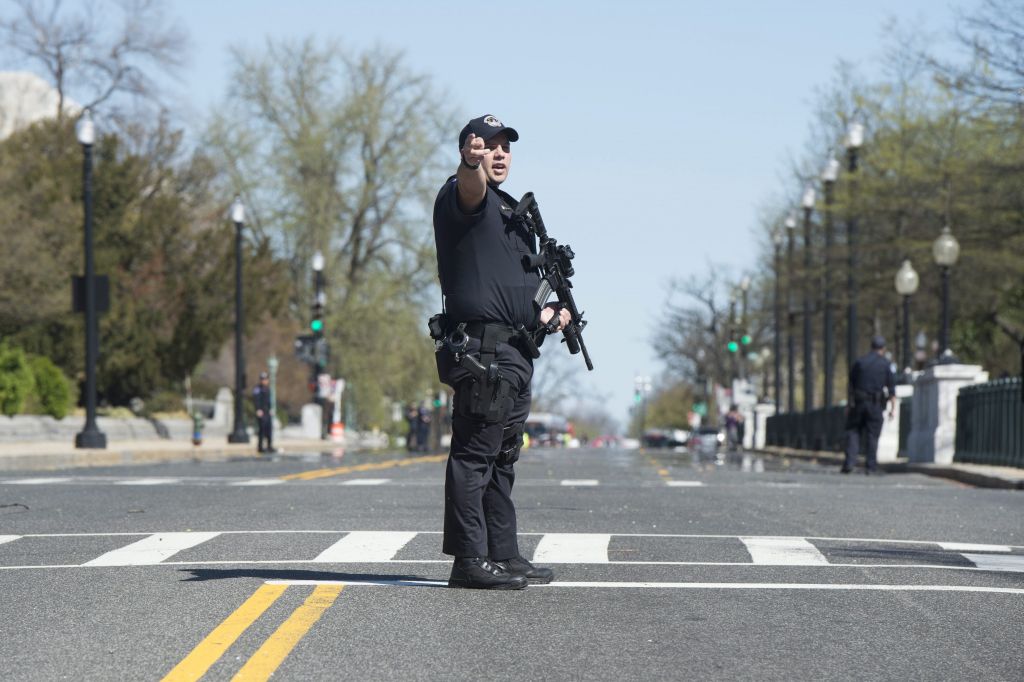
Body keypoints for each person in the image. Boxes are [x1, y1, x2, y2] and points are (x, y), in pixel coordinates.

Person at [432, 114, 571, 590]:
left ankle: (502, 553)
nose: (497, 153)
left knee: (503, 455)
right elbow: (470, 188)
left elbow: (515, 288)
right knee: (473, 456)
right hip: (482, 350)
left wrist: (548, 315)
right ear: (470, 151)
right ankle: (468, 560)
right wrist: (467, 165)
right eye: (487, 146)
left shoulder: (512, 211)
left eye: (504, 147)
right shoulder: (463, 196)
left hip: (515, 350)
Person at [843, 335, 896, 474]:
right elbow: (891, 389)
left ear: (871, 347)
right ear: (883, 349)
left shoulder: (860, 362)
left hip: (858, 403)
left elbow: (851, 385)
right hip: (875, 404)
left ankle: (850, 462)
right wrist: (893, 409)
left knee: (853, 432)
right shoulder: (885, 364)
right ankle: (870, 466)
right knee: (873, 435)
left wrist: (849, 405)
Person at [253, 371, 275, 453]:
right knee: (261, 430)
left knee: (269, 429)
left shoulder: (267, 389)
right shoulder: (257, 389)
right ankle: (260, 447)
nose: (264, 381)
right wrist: (258, 409)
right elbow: (256, 400)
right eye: (263, 379)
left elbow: (269, 401)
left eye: (265, 379)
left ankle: (269, 446)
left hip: (267, 412)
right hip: (261, 412)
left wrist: (271, 409)